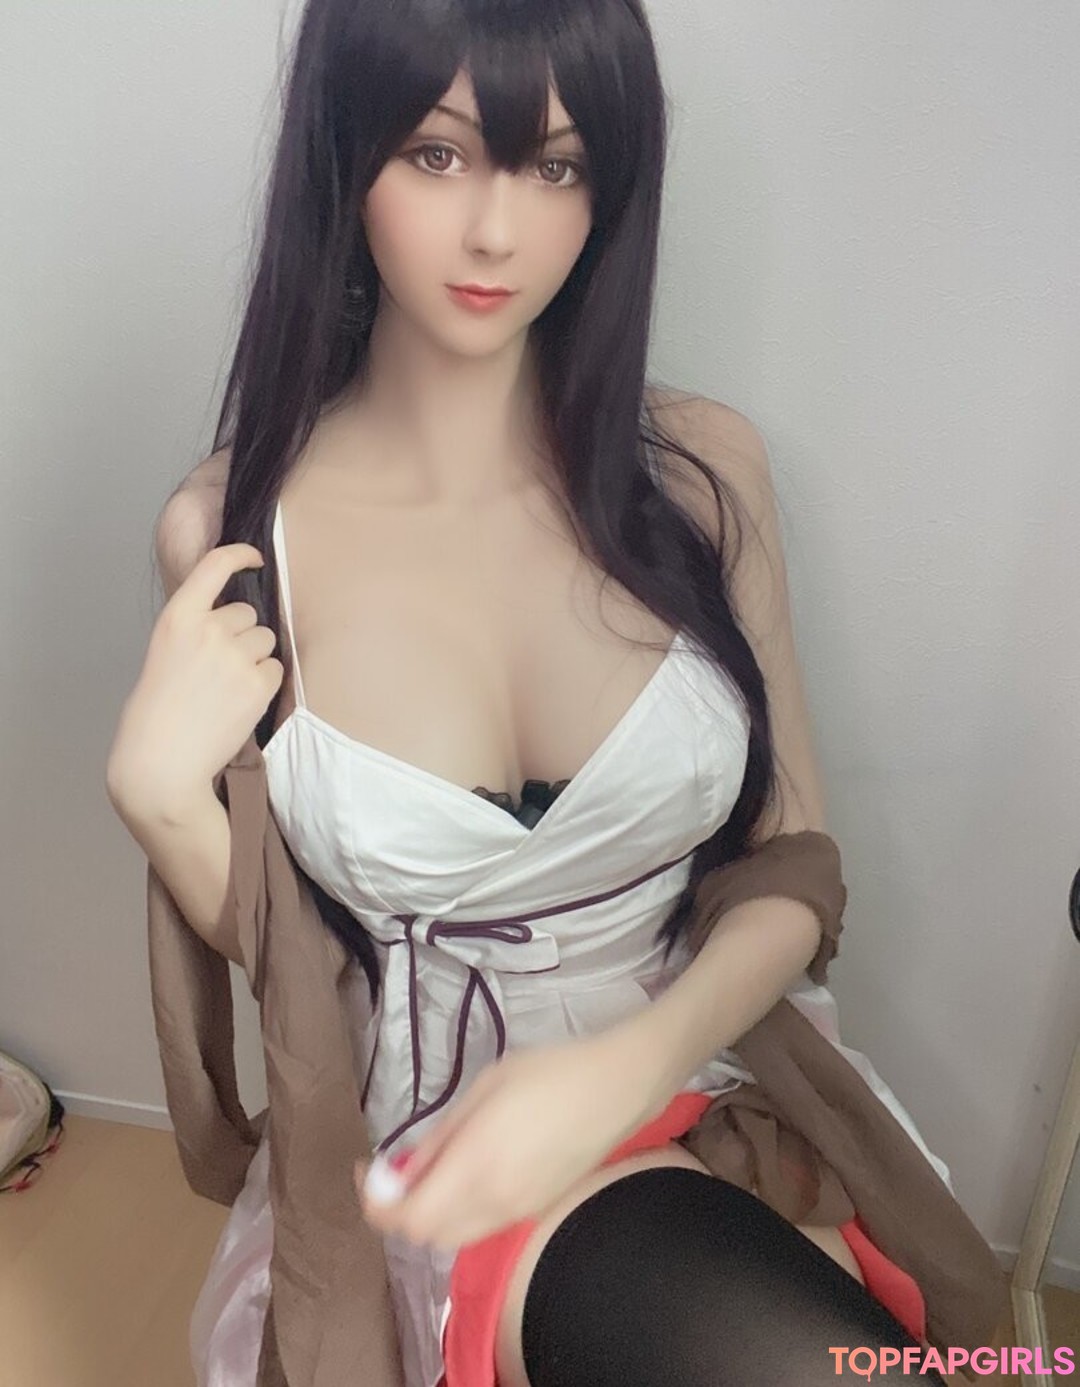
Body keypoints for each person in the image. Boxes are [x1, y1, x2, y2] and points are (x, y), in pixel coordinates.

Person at [106, 2, 993, 1384]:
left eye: (558, 166)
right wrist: (161, 804)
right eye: (438, 155)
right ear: (345, 157)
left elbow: (796, 867)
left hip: (715, 1070)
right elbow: (308, 960)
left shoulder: (706, 474)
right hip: (447, 1151)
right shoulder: (232, 534)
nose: (497, 233)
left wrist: (623, 1070)